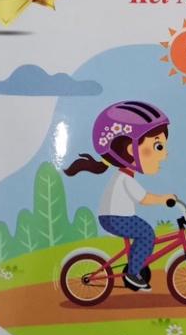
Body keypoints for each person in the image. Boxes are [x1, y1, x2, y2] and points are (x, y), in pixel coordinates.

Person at [64, 100, 176, 292]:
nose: (165, 155)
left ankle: (135, 266)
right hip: (116, 218)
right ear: (131, 149)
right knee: (147, 234)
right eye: (158, 146)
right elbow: (144, 199)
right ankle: (133, 273)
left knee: (143, 233)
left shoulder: (125, 177)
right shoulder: (125, 179)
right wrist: (164, 199)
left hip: (117, 217)